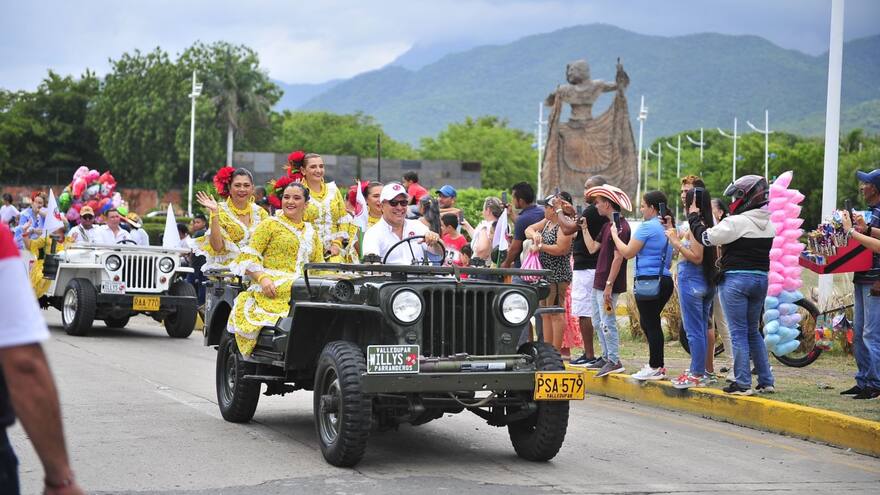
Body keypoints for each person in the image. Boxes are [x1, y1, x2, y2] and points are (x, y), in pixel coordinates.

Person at [0, 224, 85, 494]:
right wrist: (59, 478)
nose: (59, 236)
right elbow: (23, 363)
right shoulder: (32, 242)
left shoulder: (75, 240)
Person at [688, 175, 775, 396]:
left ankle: (743, 382)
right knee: (753, 331)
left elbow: (707, 238)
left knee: (738, 332)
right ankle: (766, 380)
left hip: (736, 280)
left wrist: (693, 218)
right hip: (761, 279)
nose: (734, 200)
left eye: (737, 195)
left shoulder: (736, 222)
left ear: (746, 198)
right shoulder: (769, 223)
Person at [227, 182, 324, 356]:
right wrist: (262, 278)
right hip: (274, 285)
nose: (290, 202)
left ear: (306, 204)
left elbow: (318, 266)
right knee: (295, 287)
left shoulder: (311, 232)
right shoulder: (270, 224)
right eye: (286, 197)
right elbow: (248, 257)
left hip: (304, 283)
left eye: (296, 198)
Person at [608, 191, 674, 381]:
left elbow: (628, 252)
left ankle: (656, 366)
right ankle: (656, 364)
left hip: (648, 281)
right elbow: (668, 261)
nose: (641, 209)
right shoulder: (667, 227)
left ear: (653, 208)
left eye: (643, 206)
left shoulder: (647, 227)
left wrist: (614, 235)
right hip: (664, 280)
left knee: (651, 323)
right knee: (648, 322)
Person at [668, 186, 718, 388]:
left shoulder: (698, 226)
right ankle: (703, 371)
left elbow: (697, 257)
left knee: (694, 330)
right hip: (705, 282)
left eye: (687, 202)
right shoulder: (706, 224)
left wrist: (675, 242)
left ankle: (697, 373)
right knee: (701, 328)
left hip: (694, 282)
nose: (684, 205)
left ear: (694, 204)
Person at [837, 168, 880, 400]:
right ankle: (864, 380)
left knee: (871, 334)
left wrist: (852, 232)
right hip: (863, 276)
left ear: (874, 187)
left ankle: (875, 383)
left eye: (865, 184)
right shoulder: (873, 212)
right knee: (861, 331)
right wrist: (862, 228)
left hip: (875, 280)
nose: (861, 187)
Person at [581, 185, 632, 377]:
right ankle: (605, 356)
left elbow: (619, 257)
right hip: (599, 281)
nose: (596, 206)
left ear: (608, 204)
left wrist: (609, 284)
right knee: (597, 321)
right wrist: (584, 229)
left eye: (598, 202)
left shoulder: (621, 227)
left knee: (606, 322)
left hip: (608, 283)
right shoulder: (607, 226)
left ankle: (614, 359)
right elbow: (593, 248)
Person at [558, 176, 608, 367]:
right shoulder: (595, 211)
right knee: (590, 311)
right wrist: (570, 213)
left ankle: (589, 353)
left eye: (588, 188)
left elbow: (568, 229)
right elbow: (579, 225)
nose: (585, 191)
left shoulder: (592, 210)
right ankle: (593, 353)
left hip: (587, 266)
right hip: (589, 266)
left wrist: (558, 212)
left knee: (585, 312)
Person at [525, 192, 574, 352]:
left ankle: (556, 351)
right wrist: (535, 235)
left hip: (557, 274)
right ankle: (547, 348)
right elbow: (529, 229)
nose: (543, 209)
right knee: (545, 313)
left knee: (555, 313)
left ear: (554, 209)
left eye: (546, 207)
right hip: (545, 275)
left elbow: (561, 249)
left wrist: (540, 246)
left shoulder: (563, 225)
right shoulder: (547, 222)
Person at [195, 167, 269, 271]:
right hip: (228, 274)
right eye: (237, 185)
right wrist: (215, 213)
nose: (242, 189)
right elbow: (217, 247)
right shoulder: (219, 210)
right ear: (229, 188)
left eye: (246, 185)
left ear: (252, 188)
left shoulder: (260, 213)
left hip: (257, 271)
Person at [362, 183, 442, 264]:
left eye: (403, 202)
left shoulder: (417, 226)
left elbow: (440, 252)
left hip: (420, 275)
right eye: (393, 203)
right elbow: (371, 265)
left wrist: (435, 240)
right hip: (389, 276)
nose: (399, 207)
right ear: (382, 206)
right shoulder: (373, 233)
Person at [300, 153, 347, 262]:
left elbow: (343, 220)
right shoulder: (298, 192)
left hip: (335, 250)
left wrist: (336, 244)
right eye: (313, 167)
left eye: (321, 166)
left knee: (336, 264)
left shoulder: (333, 190)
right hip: (307, 249)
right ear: (303, 170)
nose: (318, 170)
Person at [500, 182, 544, 268]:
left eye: (513, 198)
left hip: (523, 268)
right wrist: (511, 215)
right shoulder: (542, 211)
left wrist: (505, 264)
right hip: (540, 265)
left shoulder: (522, 219)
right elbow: (525, 226)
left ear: (521, 201)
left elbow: (515, 249)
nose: (512, 200)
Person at [22, 223, 67, 298]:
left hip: (65, 266)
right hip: (47, 265)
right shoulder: (47, 239)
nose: (55, 229)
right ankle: (32, 298)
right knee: (40, 277)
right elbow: (30, 245)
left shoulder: (69, 240)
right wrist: (24, 231)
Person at [465, 197, 503, 263]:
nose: (482, 212)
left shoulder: (486, 226)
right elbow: (479, 239)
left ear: (488, 210)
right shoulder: (503, 224)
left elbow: (482, 249)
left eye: (483, 209)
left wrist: (474, 262)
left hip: (482, 268)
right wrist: (467, 226)